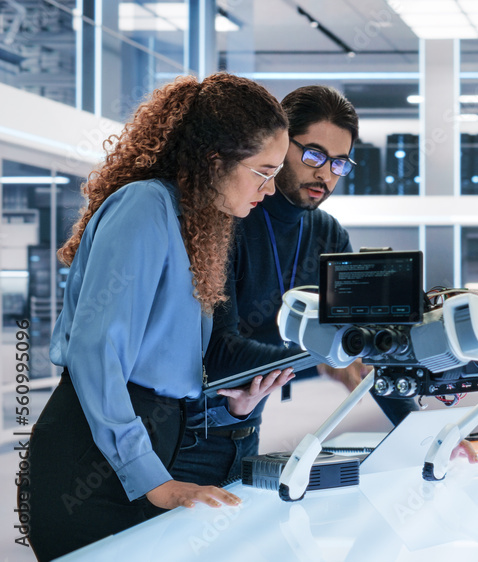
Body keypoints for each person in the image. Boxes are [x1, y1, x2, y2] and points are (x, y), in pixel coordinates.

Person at [24, 73, 291, 560]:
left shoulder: (195, 221)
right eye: (263, 171)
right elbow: (96, 354)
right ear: (215, 160)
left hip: (149, 440)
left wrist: (226, 397)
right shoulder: (145, 206)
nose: (270, 189)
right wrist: (155, 482)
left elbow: (163, 357)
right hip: (95, 458)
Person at [170, 85, 419, 487]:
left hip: (245, 431)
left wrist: (419, 429)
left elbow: (368, 347)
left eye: (339, 163)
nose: (325, 173)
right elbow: (219, 351)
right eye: (314, 154)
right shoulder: (228, 216)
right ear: (281, 143)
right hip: (178, 439)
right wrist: (318, 357)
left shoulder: (328, 234)